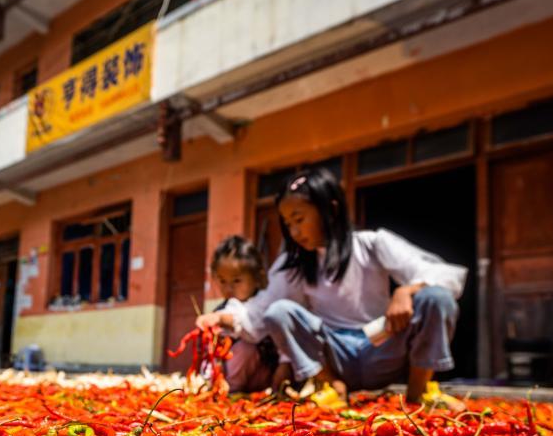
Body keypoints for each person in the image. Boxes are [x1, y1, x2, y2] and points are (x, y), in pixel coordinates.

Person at [196, 167, 466, 403]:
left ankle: (418, 393)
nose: (294, 232)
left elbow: (445, 275)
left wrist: (407, 291)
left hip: (382, 347)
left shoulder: (372, 244)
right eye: (288, 224)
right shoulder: (294, 264)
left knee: (435, 297)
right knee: (279, 312)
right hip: (335, 355)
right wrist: (219, 317)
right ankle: (331, 386)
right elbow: (258, 312)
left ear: (331, 210)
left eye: (299, 220)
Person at [208, 235, 279, 393]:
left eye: (237, 281)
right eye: (222, 281)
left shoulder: (264, 302)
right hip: (232, 378)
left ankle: (233, 390)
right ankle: (222, 388)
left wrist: (220, 319)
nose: (228, 288)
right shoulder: (221, 309)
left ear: (257, 278)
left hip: (266, 374)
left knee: (246, 347)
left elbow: (246, 323)